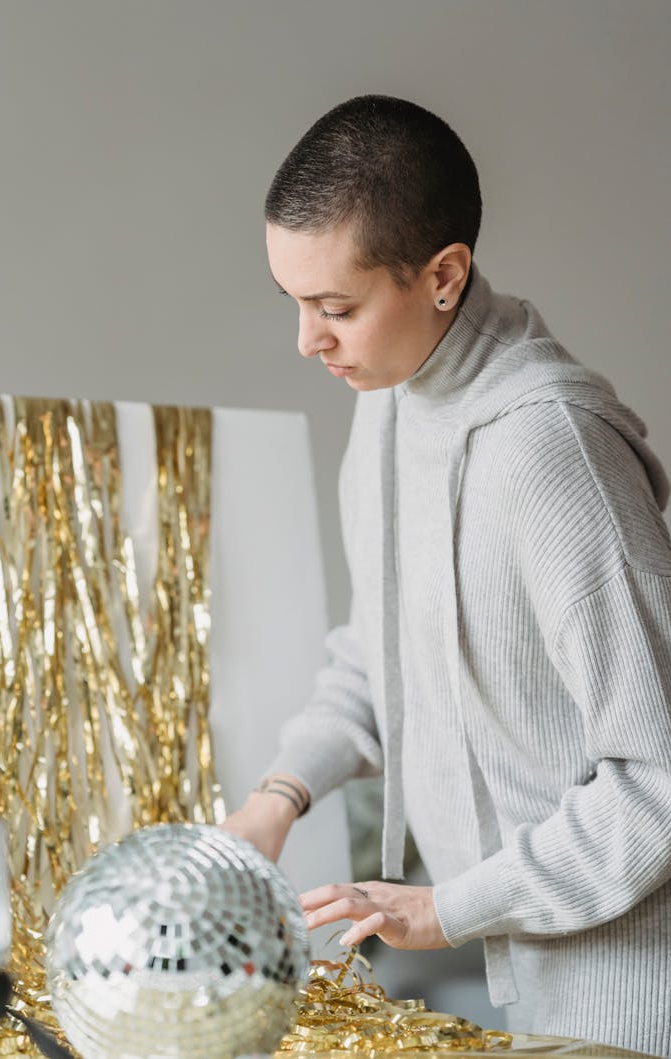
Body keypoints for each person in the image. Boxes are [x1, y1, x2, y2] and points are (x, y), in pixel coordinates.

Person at [223, 95, 671, 1055]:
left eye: (335, 307)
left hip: (638, 994)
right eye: (294, 302)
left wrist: (450, 907)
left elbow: (661, 777)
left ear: (443, 275)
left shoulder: (552, 455)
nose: (308, 341)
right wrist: (277, 798)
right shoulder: (391, 397)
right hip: (529, 966)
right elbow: (381, 648)